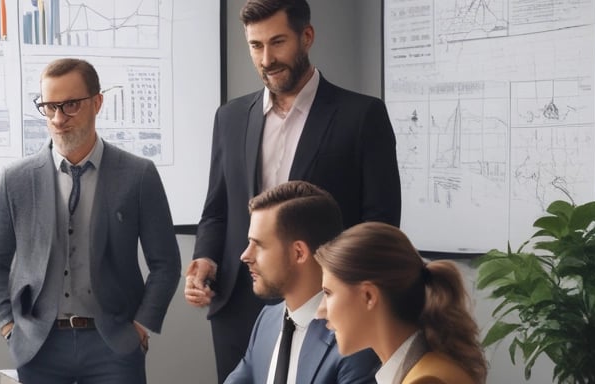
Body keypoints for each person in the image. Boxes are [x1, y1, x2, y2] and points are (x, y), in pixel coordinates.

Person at [184, 0, 401, 381]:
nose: (266, 58)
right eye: (255, 45)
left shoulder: (362, 115)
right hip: (239, 303)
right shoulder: (230, 117)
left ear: (307, 37)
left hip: (326, 306)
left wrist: (353, 294)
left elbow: (380, 223)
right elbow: (217, 208)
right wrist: (205, 258)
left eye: (278, 42)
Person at [0, 57, 181, 383]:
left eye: (71, 105)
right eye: (49, 107)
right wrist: (8, 326)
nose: (59, 119)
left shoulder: (138, 175)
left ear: (97, 102)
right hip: (39, 346)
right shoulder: (14, 179)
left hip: (113, 344)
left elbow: (166, 263)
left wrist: (140, 326)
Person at [224, 181, 378, 384]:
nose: (245, 255)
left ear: (299, 253)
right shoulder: (267, 319)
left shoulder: (356, 340)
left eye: (258, 245)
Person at [315, 222, 487, 384]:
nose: (320, 311)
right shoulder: (425, 369)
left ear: (368, 296)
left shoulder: (427, 380)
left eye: (328, 293)